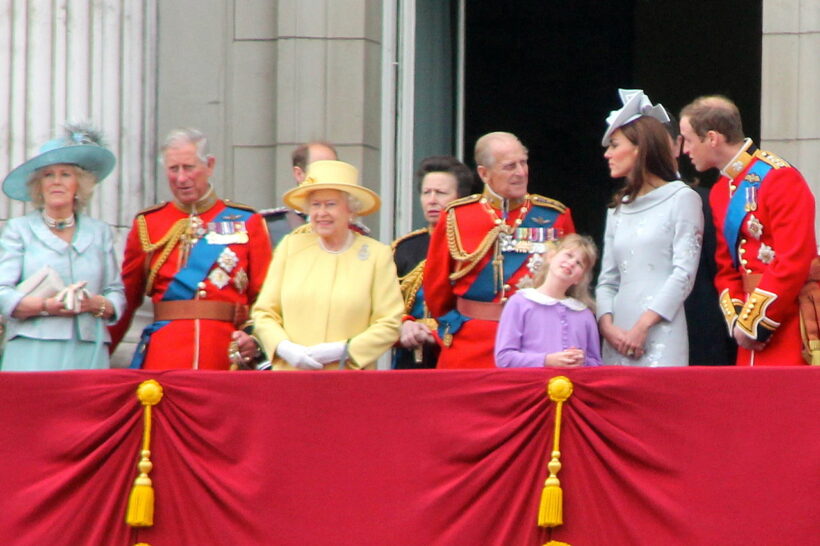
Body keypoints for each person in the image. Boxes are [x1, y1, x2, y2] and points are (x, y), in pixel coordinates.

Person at [109, 128, 272, 370]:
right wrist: (102, 351)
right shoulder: (149, 224)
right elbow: (127, 299)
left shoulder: (247, 221)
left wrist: (255, 340)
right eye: (173, 169)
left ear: (210, 165)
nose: (181, 178)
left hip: (224, 354)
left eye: (189, 167)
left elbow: (265, 297)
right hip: (165, 355)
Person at [679, 95, 817, 366]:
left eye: (688, 139)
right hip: (749, 333)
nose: (685, 149)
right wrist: (739, 323)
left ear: (712, 138)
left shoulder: (780, 178)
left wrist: (757, 324)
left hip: (787, 323)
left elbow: (794, 260)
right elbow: (726, 268)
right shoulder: (721, 191)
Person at [424, 131, 576, 369]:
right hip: (471, 347)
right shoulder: (456, 216)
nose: (521, 172)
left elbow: (572, 286)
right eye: (509, 166)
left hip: (536, 343)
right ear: (484, 173)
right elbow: (436, 292)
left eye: (523, 163)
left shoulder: (554, 216)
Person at [252, 159, 403, 370]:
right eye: (316, 205)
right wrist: (284, 348)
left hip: (349, 380)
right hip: (291, 377)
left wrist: (346, 350)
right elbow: (264, 312)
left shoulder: (376, 254)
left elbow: (389, 322)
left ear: (351, 210)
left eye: (331, 204)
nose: (322, 213)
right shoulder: (290, 247)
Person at [0, 124, 125, 370]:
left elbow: (116, 293)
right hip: (32, 349)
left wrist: (95, 303)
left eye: (66, 174)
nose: (57, 182)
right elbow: (2, 292)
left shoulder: (99, 232)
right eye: (48, 175)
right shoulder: (19, 230)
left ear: (79, 184)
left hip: (88, 349)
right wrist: (46, 306)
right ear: (39, 184)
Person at [596, 89, 703, 367]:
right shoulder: (617, 207)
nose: (607, 154)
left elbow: (684, 274)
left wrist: (643, 326)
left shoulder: (682, 198)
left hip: (660, 331)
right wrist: (607, 325)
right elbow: (608, 278)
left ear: (640, 147)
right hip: (617, 335)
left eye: (614, 145)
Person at [661, 111, 736, 366]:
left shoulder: (707, 200)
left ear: (676, 145)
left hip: (700, 343)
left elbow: (723, 273)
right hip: (631, 338)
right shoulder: (620, 207)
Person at [392, 155, 475, 369]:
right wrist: (404, 324)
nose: (431, 200)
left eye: (441, 193)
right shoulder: (404, 249)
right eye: (426, 192)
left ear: (461, 197)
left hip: (461, 358)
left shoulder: (475, 247)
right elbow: (384, 308)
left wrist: (437, 331)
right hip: (410, 361)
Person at [495, 233, 602, 368]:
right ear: (551, 256)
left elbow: (597, 364)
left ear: (579, 279)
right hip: (530, 386)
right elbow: (504, 358)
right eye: (569, 255)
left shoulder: (584, 314)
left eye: (579, 263)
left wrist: (582, 360)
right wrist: (547, 360)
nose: (571, 263)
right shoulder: (519, 303)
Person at [259, 141, 337, 246]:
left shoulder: (353, 230)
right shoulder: (269, 226)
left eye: (335, 168)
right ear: (299, 174)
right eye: (319, 167)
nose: (329, 174)